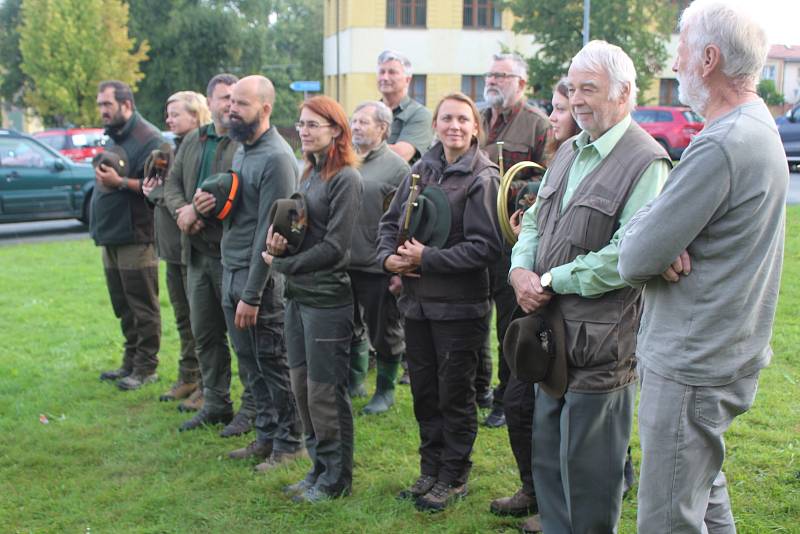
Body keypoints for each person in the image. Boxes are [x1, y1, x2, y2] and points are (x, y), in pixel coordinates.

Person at [617, 2, 788, 532]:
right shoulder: (755, 125)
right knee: (703, 495)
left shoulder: (723, 142)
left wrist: (657, 238)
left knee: (669, 517)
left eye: (683, 47)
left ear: (709, 58)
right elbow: (652, 238)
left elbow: (633, 256)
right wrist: (660, 235)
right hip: (722, 351)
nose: (675, 60)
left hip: (694, 361)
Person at [509, 41, 670, 533]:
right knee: (551, 477)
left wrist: (551, 279)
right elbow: (534, 220)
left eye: (588, 89)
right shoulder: (568, 150)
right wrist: (519, 270)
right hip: (549, 341)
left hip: (600, 352)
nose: (576, 99)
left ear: (623, 93)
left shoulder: (648, 162)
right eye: (572, 88)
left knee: (591, 487)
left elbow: (629, 256)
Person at [378, 92, 501, 512]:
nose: (454, 126)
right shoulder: (421, 169)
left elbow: (486, 248)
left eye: (463, 120)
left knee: (455, 395)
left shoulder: (483, 178)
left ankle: (454, 476)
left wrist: (426, 259)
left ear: (475, 128)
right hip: (416, 306)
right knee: (425, 393)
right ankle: (429, 470)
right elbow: (390, 222)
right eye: (447, 118)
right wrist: (388, 257)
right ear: (435, 125)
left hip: (460, 310)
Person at [193, 75, 303, 469]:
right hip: (231, 268)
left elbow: (269, 230)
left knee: (273, 362)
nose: (230, 109)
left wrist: (252, 294)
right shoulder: (241, 149)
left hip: (259, 282)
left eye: (241, 103)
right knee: (250, 364)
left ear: (266, 109)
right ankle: (266, 436)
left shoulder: (276, 157)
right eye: (229, 102)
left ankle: (290, 445)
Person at [263, 95, 362, 502]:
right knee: (301, 385)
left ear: (336, 130)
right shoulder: (309, 174)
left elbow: (337, 248)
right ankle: (318, 468)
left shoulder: (346, 179)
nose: (303, 131)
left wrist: (281, 264)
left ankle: (337, 479)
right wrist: (281, 246)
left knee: (325, 391)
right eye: (301, 124)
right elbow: (306, 234)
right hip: (299, 298)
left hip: (327, 301)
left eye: (312, 125)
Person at [490, 78, 578, 527]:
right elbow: (532, 227)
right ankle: (534, 490)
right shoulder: (556, 165)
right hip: (529, 300)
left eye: (561, 109)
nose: (554, 117)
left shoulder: (578, 164)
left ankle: (566, 499)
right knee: (521, 399)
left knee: (567, 410)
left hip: (568, 307)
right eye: (556, 107)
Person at [163, 74, 258, 436]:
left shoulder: (244, 144)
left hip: (229, 253)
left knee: (242, 338)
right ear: (209, 101)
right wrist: (183, 211)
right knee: (203, 332)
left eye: (234, 99)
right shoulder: (193, 139)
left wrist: (199, 213)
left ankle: (252, 407)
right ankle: (216, 402)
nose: (228, 106)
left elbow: (240, 192)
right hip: (196, 253)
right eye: (222, 99)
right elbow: (172, 184)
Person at [478, 52, 550, 424]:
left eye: (501, 76)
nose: (492, 80)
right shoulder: (478, 118)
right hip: (476, 237)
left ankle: (506, 398)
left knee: (508, 322)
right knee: (475, 319)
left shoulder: (537, 125)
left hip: (512, 238)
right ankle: (480, 387)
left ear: (521, 83)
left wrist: (507, 185)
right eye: (490, 74)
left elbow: (547, 182)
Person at [93, 80, 164, 390]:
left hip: (137, 235)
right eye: (100, 105)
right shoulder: (116, 134)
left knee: (142, 305)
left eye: (107, 105)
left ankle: (146, 368)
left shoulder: (150, 139)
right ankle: (130, 362)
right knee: (122, 304)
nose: (102, 111)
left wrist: (120, 181)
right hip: (111, 236)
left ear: (126, 105)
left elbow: (158, 188)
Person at [142, 91, 209, 404]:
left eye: (175, 114)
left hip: (193, 250)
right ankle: (189, 376)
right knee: (183, 319)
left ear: (195, 116)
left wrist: (155, 194)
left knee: (201, 321)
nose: (168, 120)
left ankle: (206, 386)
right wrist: (150, 189)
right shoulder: (168, 149)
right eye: (167, 114)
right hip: (171, 250)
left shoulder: (202, 148)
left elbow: (183, 198)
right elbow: (160, 190)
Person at [347, 101, 410, 413]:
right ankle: (354, 382)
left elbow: (406, 221)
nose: (356, 126)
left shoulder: (398, 168)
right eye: (354, 121)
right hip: (344, 262)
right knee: (350, 326)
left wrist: (398, 267)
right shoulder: (346, 160)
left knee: (384, 330)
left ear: (383, 129)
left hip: (378, 265)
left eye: (363, 122)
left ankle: (384, 390)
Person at [377, 49, 433, 164]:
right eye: (382, 72)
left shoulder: (420, 115)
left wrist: (361, 148)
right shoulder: (369, 112)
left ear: (408, 80)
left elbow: (399, 155)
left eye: (392, 72)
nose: (385, 77)